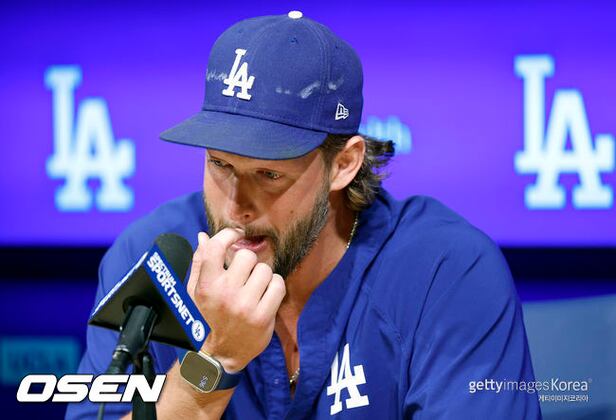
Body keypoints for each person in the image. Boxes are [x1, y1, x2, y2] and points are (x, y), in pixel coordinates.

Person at [66, 11, 541, 419]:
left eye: (269, 174)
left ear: (344, 164)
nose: (235, 207)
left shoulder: (445, 271)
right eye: (220, 165)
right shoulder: (152, 257)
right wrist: (215, 360)